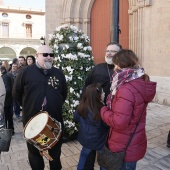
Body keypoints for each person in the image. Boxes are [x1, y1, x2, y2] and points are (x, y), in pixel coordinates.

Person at [12, 45, 67, 170]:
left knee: (55, 153)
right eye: (45, 54)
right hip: (33, 123)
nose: (48, 57)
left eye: (51, 55)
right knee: (35, 154)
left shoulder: (58, 73)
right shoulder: (26, 72)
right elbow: (16, 93)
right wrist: (28, 106)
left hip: (54, 120)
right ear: (37, 55)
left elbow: (64, 93)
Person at [100, 49, 157, 170]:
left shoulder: (126, 88)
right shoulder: (138, 80)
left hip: (123, 144)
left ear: (121, 64)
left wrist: (103, 110)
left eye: (115, 64)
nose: (114, 67)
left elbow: (119, 122)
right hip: (133, 140)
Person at [83, 42, 122, 169]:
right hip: (95, 114)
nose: (109, 53)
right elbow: (86, 87)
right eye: (108, 50)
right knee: (89, 148)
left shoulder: (123, 71)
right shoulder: (97, 68)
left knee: (106, 148)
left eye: (113, 51)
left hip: (113, 116)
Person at [74, 84, 108, 170]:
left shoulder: (82, 106)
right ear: (97, 96)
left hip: (86, 140)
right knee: (103, 160)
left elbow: (76, 118)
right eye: (102, 92)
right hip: (99, 141)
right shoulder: (102, 109)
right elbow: (106, 125)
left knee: (83, 156)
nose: (104, 94)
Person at [1, 66, 14, 135]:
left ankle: (7, 131)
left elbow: (7, 89)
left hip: (6, 100)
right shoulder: (8, 75)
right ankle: (10, 129)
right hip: (8, 99)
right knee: (8, 116)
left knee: (6, 117)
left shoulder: (5, 77)